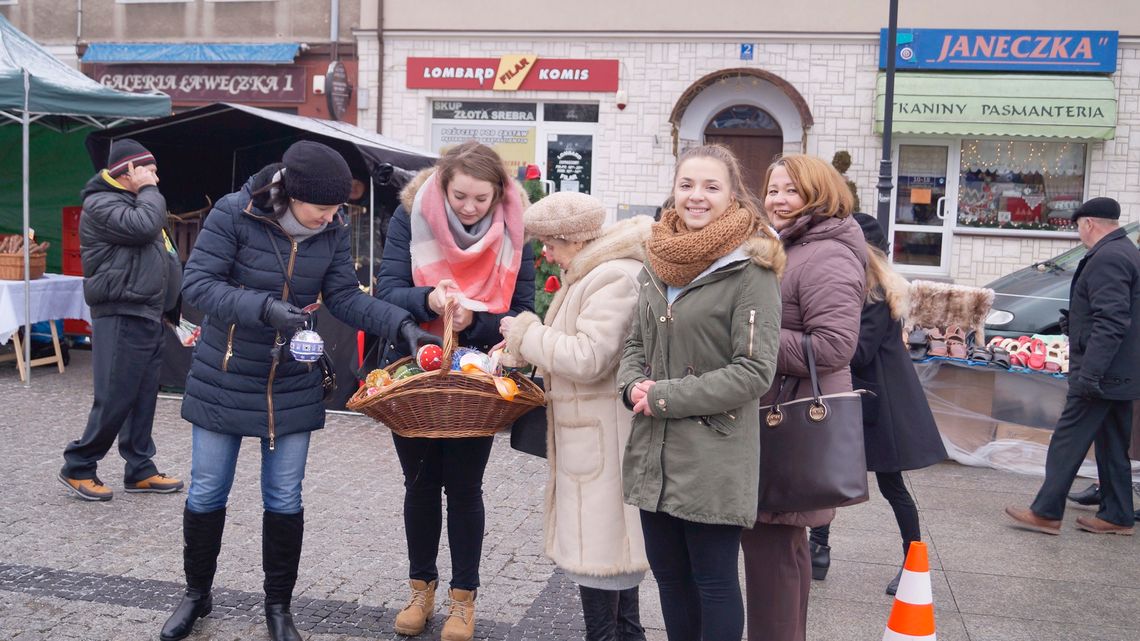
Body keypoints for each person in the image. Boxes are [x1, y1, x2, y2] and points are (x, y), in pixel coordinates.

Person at [159, 141, 438, 641]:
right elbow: (197, 285)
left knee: (284, 496)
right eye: (323, 209)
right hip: (225, 375)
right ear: (289, 195)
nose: (331, 218)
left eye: (337, 210)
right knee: (206, 491)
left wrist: (403, 326)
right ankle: (196, 594)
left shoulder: (328, 230)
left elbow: (346, 298)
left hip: (291, 382)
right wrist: (265, 309)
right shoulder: (232, 213)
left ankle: (278, 606)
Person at [618, 144, 783, 641]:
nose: (697, 196)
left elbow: (754, 371)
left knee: (712, 582)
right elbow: (635, 342)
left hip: (714, 451)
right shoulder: (657, 258)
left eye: (711, 187)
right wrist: (629, 387)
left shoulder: (751, 267)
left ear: (733, 195)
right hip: (654, 450)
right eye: (688, 184)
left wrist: (663, 396)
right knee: (669, 578)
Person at [375, 140, 535, 641]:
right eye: (460, 196)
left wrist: (476, 317)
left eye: (480, 199)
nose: (469, 207)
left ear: (498, 195)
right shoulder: (411, 216)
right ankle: (420, 591)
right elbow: (388, 292)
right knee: (419, 486)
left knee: (465, 489)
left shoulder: (515, 229)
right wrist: (431, 296)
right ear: (442, 186)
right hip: (415, 374)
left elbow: (523, 310)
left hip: (476, 382)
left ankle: (462, 600)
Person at [499, 193, 653, 641]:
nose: (545, 253)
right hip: (592, 438)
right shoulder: (592, 271)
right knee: (610, 564)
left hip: (603, 437)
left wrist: (526, 332)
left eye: (550, 243)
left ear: (575, 238)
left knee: (603, 558)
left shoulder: (612, 278)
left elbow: (588, 358)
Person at [740, 154, 867, 641]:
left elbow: (835, 346)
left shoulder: (827, 253)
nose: (777, 199)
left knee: (773, 555)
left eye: (791, 190)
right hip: (779, 408)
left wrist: (750, 339)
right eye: (772, 190)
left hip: (790, 418)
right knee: (783, 553)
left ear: (820, 194)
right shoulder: (794, 245)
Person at [807, 213, 948, 596]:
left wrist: (816, 339)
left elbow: (860, 350)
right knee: (828, 477)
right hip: (861, 398)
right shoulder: (864, 284)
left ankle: (912, 561)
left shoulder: (875, 291)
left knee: (891, 484)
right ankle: (818, 549)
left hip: (880, 404)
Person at [1005, 196, 1140, 536]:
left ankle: (1047, 511)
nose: (1079, 233)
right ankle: (1118, 515)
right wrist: (1075, 326)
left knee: (1068, 439)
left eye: (1079, 226)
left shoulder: (1108, 257)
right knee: (1111, 443)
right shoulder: (1124, 251)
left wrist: (1090, 373)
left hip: (1103, 373)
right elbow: (1110, 315)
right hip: (1120, 369)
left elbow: (1112, 320)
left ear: (1088, 224)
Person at [59, 139, 184, 502]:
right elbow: (146, 227)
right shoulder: (101, 204)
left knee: (143, 395)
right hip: (121, 311)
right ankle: (79, 465)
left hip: (147, 311)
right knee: (115, 395)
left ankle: (140, 468)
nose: (156, 178)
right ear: (128, 170)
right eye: (149, 170)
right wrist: (147, 190)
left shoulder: (133, 202)